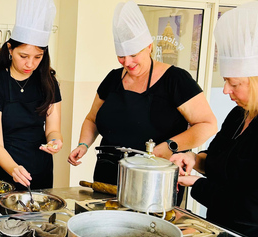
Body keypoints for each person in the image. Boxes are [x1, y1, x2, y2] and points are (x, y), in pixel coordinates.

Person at [68, 1, 217, 189]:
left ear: (149, 46)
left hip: (154, 180)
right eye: (121, 56)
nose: (127, 62)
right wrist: (83, 144)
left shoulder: (176, 80)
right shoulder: (113, 78)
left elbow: (208, 125)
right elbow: (92, 119)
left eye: (133, 54)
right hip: (107, 175)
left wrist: (170, 145)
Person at [170, 2, 258, 237]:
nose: (225, 90)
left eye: (234, 83)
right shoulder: (238, 115)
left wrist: (196, 185)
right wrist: (194, 159)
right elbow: (221, 162)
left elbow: (249, 209)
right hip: (219, 234)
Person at [0, 0, 62, 190]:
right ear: (10, 49)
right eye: (23, 56)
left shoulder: (49, 82)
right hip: (1, 170)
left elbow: (53, 129)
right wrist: (13, 168)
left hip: (39, 170)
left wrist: (55, 141)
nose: (30, 64)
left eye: (37, 57)